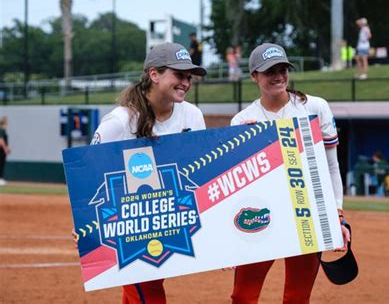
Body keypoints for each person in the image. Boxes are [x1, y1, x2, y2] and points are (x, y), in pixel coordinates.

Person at [78, 42, 207, 303]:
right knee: (149, 294)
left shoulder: (192, 115)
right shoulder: (120, 121)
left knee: (144, 290)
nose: (186, 82)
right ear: (154, 74)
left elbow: (202, 170)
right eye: (179, 75)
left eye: (188, 77)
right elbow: (88, 170)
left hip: (170, 220)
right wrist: (86, 221)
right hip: (132, 224)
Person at [230, 43, 351, 304]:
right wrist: (245, 144)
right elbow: (239, 186)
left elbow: (331, 166)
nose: (278, 76)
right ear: (254, 76)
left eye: (282, 69)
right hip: (261, 218)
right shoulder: (242, 120)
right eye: (269, 71)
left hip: (306, 214)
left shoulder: (315, 107)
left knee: (297, 297)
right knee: (243, 296)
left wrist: (337, 215)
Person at [0, 116, 10, 186]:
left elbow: (6, 141)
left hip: (2, 150)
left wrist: (8, 147)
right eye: (7, 122)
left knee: (2, 164)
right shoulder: (1, 130)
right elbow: (1, 140)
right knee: (0, 164)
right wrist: (5, 148)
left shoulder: (4, 130)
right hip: (0, 150)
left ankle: (1, 178)